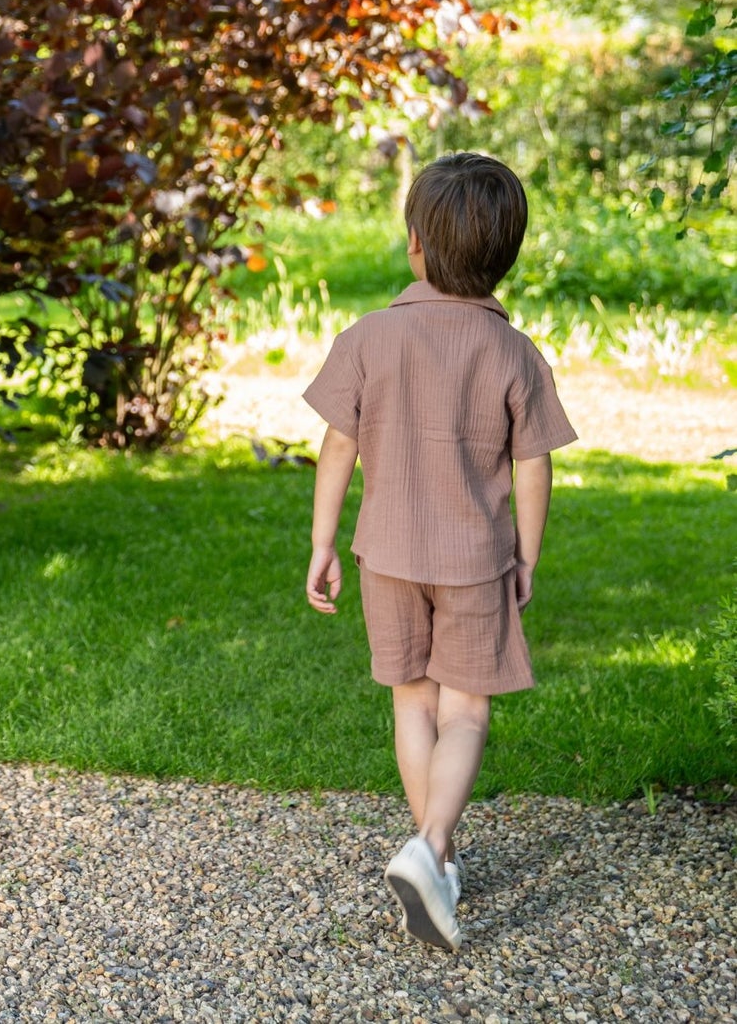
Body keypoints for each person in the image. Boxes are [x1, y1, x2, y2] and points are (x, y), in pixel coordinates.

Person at [301, 152, 577, 951]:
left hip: (385, 553)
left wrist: (322, 541)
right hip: (472, 559)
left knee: (412, 706)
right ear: (504, 254)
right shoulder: (514, 353)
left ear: (414, 243)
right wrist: (526, 552)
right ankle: (428, 851)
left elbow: (335, 447)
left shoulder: (368, 338)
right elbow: (534, 463)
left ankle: (436, 865)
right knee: (465, 711)